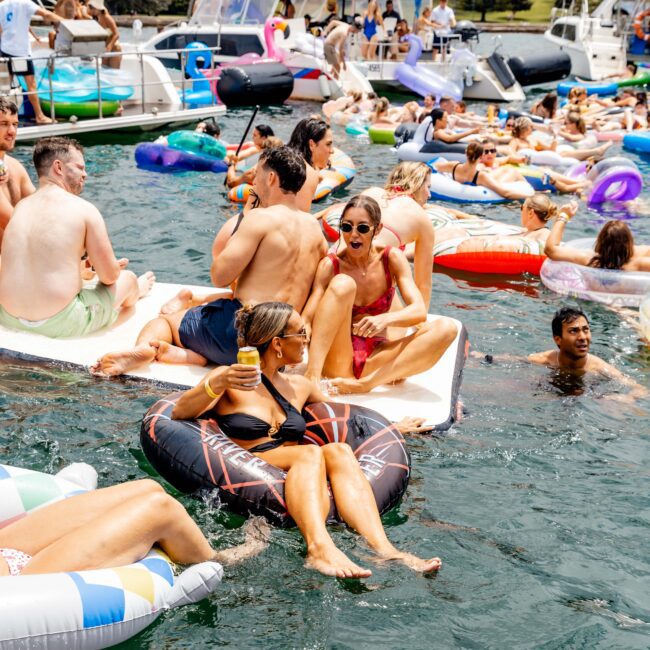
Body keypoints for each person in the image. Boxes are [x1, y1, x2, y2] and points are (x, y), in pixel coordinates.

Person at [171, 301, 442, 578]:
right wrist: (216, 383)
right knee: (310, 453)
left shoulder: (299, 386)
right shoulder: (230, 379)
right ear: (277, 343)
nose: (306, 339)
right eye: (300, 333)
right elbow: (180, 412)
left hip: (300, 471)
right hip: (252, 467)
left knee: (338, 449)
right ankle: (318, 548)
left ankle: (384, 549)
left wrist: (393, 428)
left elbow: (345, 420)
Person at [91, 146, 327, 376]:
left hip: (241, 336)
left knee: (165, 323)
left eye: (257, 175)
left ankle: (143, 349)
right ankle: (191, 356)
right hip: (282, 346)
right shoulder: (315, 232)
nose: (253, 183)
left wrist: (245, 217)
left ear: (272, 178)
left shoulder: (260, 219)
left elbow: (220, 275)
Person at [0, 137, 154, 338]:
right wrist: (114, 267)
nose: (85, 174)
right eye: (80, 167)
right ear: (59, 167)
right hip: (62, 322)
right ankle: (138, 291)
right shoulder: (84, 209)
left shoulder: (20, 208)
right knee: (129, 279)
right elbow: (109, 277)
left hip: (8, 315)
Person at [303, 195, 457, 394]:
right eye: (347, 227)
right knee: (343, 284)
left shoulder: (391, 258)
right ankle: (312, 377)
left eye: (363, 228)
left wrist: (384, 320)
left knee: (447, 328)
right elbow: (308, 318)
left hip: (376, 358)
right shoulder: (330, 266)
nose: (354, 235)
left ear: (377, 229)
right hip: (340, 362)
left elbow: (419, 311)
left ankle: (365, 385)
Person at [0, 478, 269, 576]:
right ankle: (215, 560)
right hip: (17, 583)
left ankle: (188, 546)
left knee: (146, 489)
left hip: (6, 553)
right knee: (162, 510)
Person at [317, 161, 435, 308]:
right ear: (417, 184)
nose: (429, 194)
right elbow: (423, 284)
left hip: (326, 269)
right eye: (428, 187)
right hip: (361, 281)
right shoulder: (422, 218)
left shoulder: (370, 192)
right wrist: (420, 318)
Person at [475, 307, 647, 402]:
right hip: (553, 391)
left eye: (585, 330)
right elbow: (517, 360)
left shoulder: (599, 367)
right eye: (574, 331)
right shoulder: (546, 359)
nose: (582, 337)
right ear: (558, 339)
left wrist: (626, 397)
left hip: (589, 394)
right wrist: (483, 357)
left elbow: (641, 389)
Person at [435, 194, 577, 253]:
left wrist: (563, 217)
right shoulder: (527, 231)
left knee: (454, 233)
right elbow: (482, 222)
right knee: (454, 231)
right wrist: (451, 212)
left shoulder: (544, 235)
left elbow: (554, 248)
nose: (520, 211)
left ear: (531, 213)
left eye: (522, 208)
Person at [0, 0, 61, 124]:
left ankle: (3, 118)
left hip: (6, 50)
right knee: (31, 85)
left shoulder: (2, 6)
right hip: (21, 53)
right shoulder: (26, 3)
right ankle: (39, 115)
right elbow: (46, 14)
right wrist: (67, 21)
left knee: (4, 88)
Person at [545, 216, 650, 271]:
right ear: (629, 243)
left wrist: (563, 216)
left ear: (600, 241)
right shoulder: (638, 264)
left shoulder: (589, 260)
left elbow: (550, 249)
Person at [434, 142, 533, 200]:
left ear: (465, 153)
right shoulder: (480, 175)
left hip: (460, 191)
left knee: (507, 170)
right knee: (511, 171)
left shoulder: (453, 166)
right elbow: (506, 193)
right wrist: (530, 196)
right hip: (484, 185)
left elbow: (434, 166)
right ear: (481, 156)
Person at [0, 98, 35, 245]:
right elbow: (11, 222)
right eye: (4, 124)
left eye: (15, 124)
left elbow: (40, 206)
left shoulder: (15, 167)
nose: (12, 131)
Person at [287, 117, 334, 211]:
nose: (332, 151)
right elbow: (300, 222)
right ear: (312, 144)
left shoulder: (273, 159)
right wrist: (328, 210)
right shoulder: (307, 174)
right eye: (328, 144)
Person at [87, 0, 121, 69]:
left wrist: (109, 46)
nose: (91, 10)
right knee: (105, 73)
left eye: (93, 8)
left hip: (114, 48)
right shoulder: (98, 18)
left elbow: (117, 34)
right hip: (105, 49)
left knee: (114, 73)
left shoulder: (107, 17)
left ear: (98, 8)